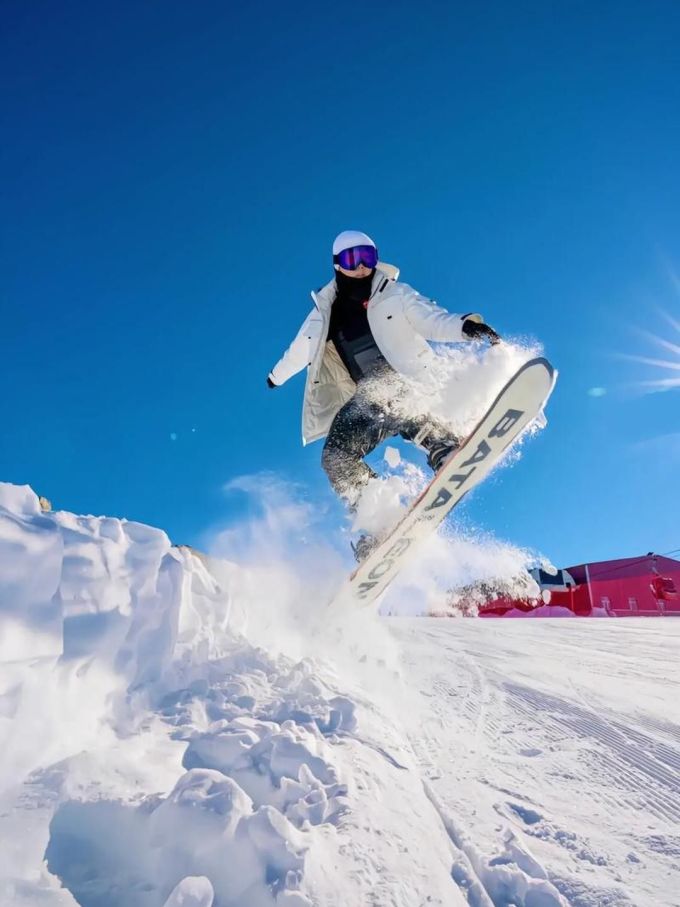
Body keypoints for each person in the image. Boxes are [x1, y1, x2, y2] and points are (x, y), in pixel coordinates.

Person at [267, 230, 500, 558]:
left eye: (368, 257)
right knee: (335, 455)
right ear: (337, 264)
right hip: (368, 396)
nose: (361, 266)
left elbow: (432, 319)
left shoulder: (395, 293)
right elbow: (299, 350)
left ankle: (442, 445)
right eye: (352, 259)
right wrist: (275, 377)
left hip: (408, 381)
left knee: (395, 392)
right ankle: (377, 519)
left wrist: (465, 327)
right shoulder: (322, 314)